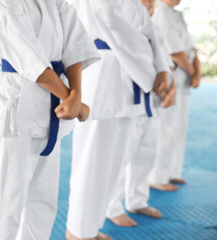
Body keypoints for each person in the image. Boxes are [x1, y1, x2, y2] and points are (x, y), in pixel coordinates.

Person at [0, 0, 100, 239]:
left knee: (43, 201)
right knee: (7, 203)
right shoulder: (0, 3)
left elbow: (74, 45)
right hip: (17, 108)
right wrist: (71, 98)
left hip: (52, 111)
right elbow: (28, 59)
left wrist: (75, 94)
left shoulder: (56, 2)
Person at [68, 0, 174, 239]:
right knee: (91, 162)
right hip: (104, 79)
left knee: (113, 164)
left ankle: (91, 227)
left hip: (130, 85)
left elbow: (151, 36)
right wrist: (152, 74)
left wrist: (163, 70)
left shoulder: (135, 4)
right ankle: (78, 231)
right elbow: (120, 33)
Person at [104, 0, 178, 228]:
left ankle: (137, 200)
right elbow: (131, 58)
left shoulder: (152, 26)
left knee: (146, 152)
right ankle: (113, 208)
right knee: (122, 154)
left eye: (151, 3)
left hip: (151, 100)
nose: (149, 5)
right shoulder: (120, 20)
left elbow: (164, 60)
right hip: (130, 96)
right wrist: (154, 80)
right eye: (145, 1)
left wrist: (169, 84)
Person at [149, 0, 201, 190]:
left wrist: (197, 70)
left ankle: (172, 172)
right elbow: (176, 53)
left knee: (178, 128)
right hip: (173, 75)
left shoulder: (176, 14)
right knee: (166, 129)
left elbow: (192, 49)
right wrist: (193, 73)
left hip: (184, 76)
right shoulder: (160, 13)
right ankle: (157, 176)